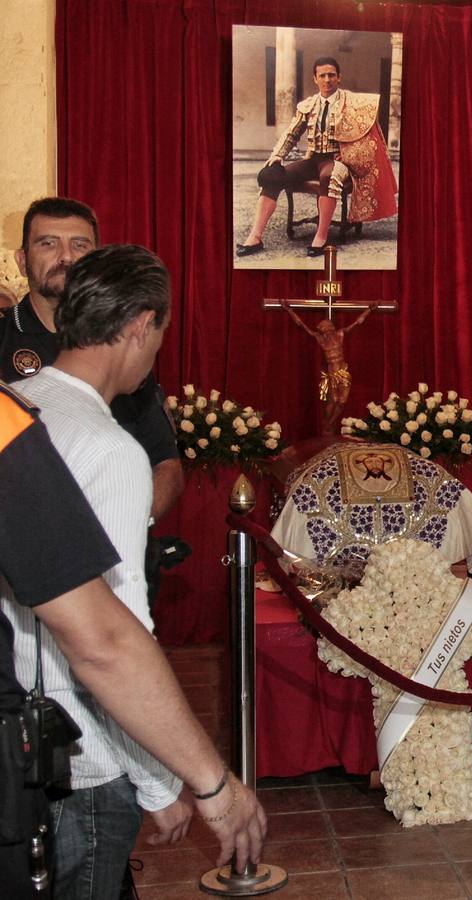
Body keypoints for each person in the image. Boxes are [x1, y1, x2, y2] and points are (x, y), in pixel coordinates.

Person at [1, 245, 232, 899]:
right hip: (84, 768)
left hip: (20, 748)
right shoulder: (109, 448)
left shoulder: (17, 408)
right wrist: (157, 780)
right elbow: (111, 634)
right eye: (159, 332)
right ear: (138, 325)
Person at [0, 197, 184, 524]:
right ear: (21, 261)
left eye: (80, 245)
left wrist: (126, 527)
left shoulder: (120, 344)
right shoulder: (3, 339)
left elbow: (166, 464)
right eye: (48, 244)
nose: (66, 257)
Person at [236, 56, 398, 258]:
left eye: (331, 75)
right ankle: (255, 236)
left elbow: (367, 138)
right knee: (270, 175)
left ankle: (321, 237)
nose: (327, 79)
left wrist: (351, 153)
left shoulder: (353, 104)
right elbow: (292, 133)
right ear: (315, 79)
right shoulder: (308, 105)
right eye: (322, 75)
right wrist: (277, 156)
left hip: (339, 161)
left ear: (339, 78)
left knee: (329, 177)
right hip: (313, 159)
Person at [284, 302, 373, 434]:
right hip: (332, 371)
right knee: (334, 399)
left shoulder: (340, 335)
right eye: (324, 329)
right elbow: (301, 325)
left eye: (328, 328)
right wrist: (289, 310)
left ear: (331, 328)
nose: (326, 331)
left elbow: (357, 323)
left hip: (343, 370)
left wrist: (369, 310)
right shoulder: (320, 339)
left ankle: (329, 423)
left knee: (342, 401)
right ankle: (328, 424)